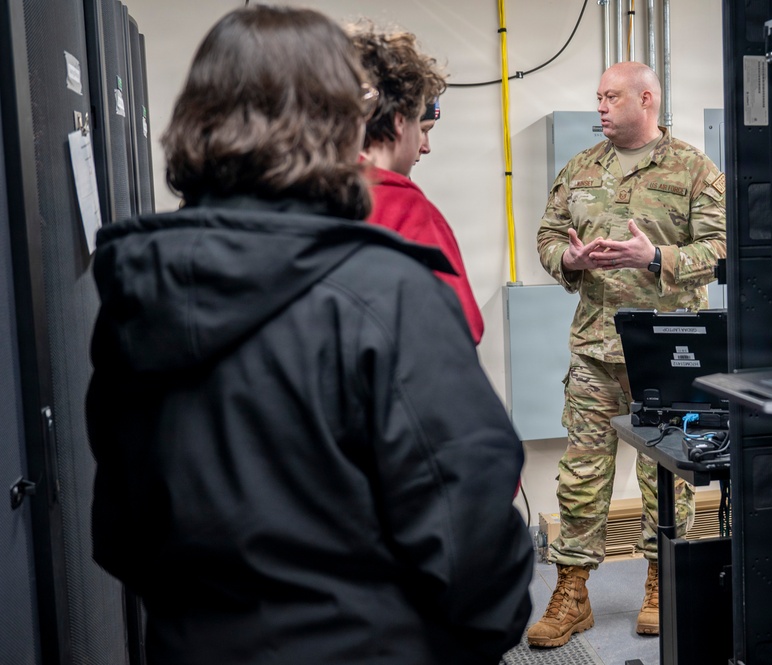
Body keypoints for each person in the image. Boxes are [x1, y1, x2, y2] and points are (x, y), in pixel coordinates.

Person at [85, 6, 533, 664]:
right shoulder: (388, 291)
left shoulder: (139, 291)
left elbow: (120, 533)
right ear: (342, 121)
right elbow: (474, 535)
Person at [528, 60, 726, 647]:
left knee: (666, 477)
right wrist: (568, 260)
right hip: (594, 347)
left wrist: (657, 257)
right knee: (582, 474)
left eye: (611, 97)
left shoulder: (694, 169)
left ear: (646, 99)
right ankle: (572, 593)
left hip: (667, 353)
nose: (600, 107)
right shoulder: (581, 167)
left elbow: (722, 248)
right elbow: (547, 236)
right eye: (597, 97)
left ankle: (662, 581)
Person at [350, 24, 485, 344]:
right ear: (400, 121)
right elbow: (463, 328)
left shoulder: (305, 193)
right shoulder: (408, 212)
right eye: (421, 128)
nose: (426, 147)